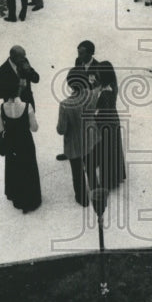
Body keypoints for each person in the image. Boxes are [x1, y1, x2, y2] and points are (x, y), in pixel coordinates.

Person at [0, 46, 42, 213]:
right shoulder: (1, 71)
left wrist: (29, 71)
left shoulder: (24, 63)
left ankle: (18, 188)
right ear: (12, 57)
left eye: (25, 58)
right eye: (21, 58)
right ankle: (17, 190)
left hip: (26, 108)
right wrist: (15, 88)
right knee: (16, 152)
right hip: (11, 111)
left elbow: (36, 79)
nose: (24, 60)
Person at [56, 79, 101, 207]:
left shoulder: (65, 104)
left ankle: (82, 198)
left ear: (70, 85)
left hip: (74, 143)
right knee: (91, 167)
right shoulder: (91, 96)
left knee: (77, 171)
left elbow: (61, 129)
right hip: (90, 138)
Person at [93, 65, 126, 191]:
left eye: (98, 74)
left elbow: (102, 111)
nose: (96, 76)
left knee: (107, 152)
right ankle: (117, 176)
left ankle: (108, 182)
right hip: (113, 120)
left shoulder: (105, 93)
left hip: (106, 124)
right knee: (114, 150)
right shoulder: (111, 87)